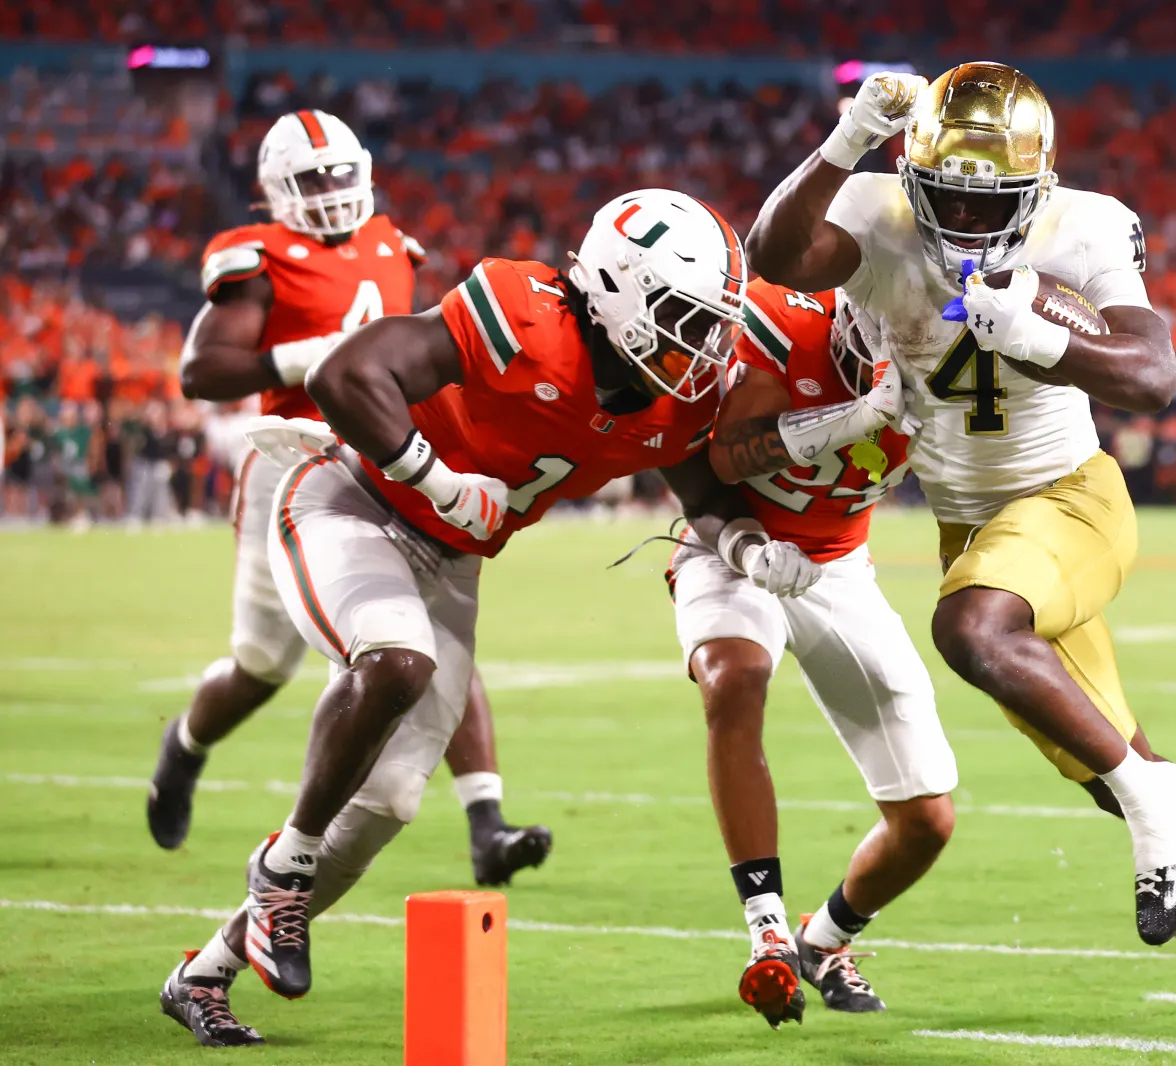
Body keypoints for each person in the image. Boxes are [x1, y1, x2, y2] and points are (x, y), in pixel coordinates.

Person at [158, 188, 823, 1048]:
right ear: (618, 290)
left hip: (452, 556)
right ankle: (283, 866)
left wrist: (743, 548)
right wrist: (436, 477)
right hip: (353, 500)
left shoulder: (672, 399)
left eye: (708, 325)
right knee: (397, 661)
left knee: (390, 801)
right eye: (681, 318)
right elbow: (344, 374)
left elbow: (697, 488)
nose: (700, 347)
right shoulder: (525, 311)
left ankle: (202, 974)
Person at [746, 62, 1176, 952]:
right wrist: (843, 143)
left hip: (1069, 500)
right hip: (973, 529)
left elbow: (1153, 376)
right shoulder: (876, 211)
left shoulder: (1084, 227)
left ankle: (1158, 808)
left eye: (996, 204)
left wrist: (1041, 338)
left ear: (1043, 184)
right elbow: (772, 258)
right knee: (1107, 764)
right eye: (949, 196)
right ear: (912, 177)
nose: (971, 221)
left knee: (972, 632)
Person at [143, 110, 551, 891]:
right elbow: (202, 371)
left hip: (380, 456)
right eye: (312, 180)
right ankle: (185, 747)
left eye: (339, 175)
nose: (331, 192)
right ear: (273, 193)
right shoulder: (260, 259)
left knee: (430, 634)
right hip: (293, 466)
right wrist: (300, 356)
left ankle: (485, 821)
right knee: (262, 665)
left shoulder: (395, 244)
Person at [674, 278, 954, 1026]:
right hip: (734, 546)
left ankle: (822, 942)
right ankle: (766, 933)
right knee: (735, 678)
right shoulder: (782, 319)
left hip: (839, 568)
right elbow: (726, 458)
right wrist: (856, 417)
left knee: (927, 822)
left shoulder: (963, 378)